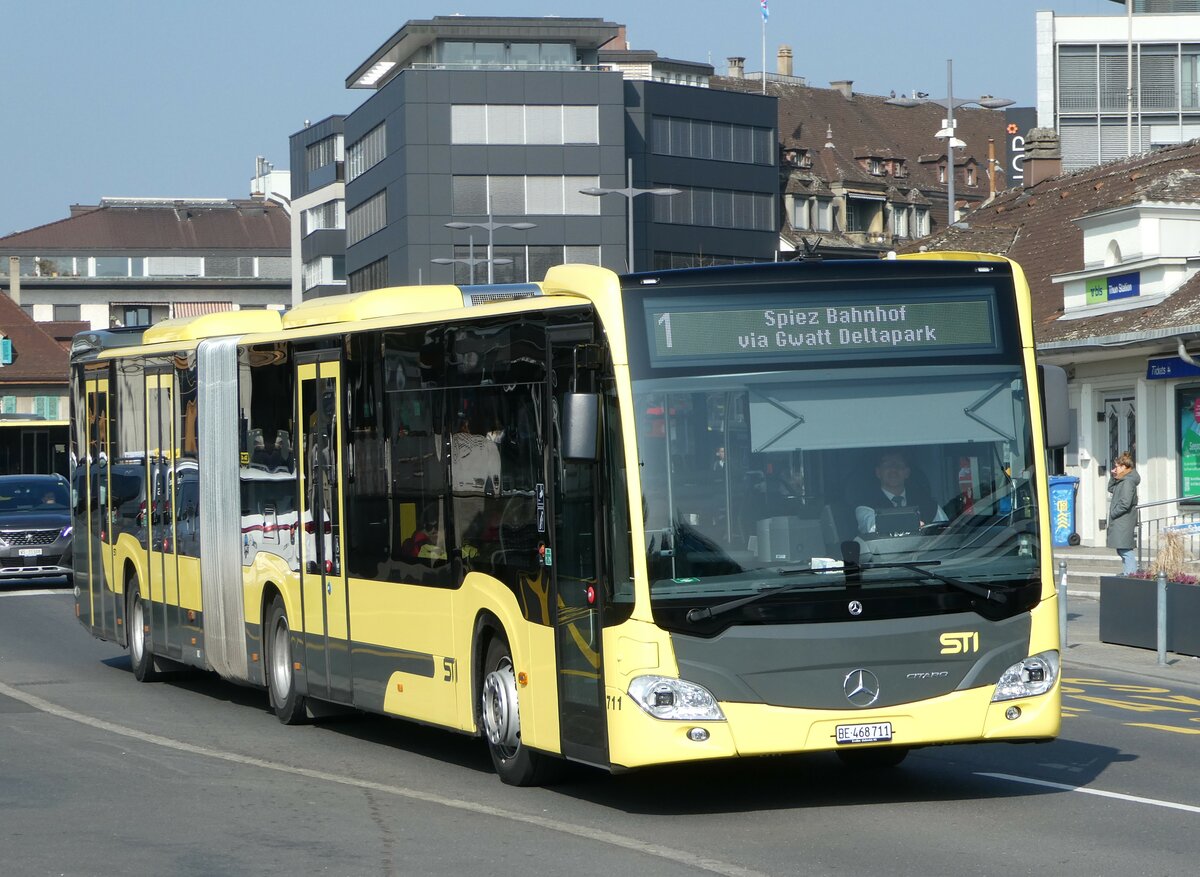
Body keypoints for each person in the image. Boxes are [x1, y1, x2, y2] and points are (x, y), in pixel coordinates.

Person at [855, 449, 947, 536]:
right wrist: (911, 524)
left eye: (899, 465)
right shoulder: (865, 507)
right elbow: (873, 529)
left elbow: (946, 532)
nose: (893, 470)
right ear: (878, 472)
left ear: (907, 473)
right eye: (887, 465)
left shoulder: (929, 505)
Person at [1107, 451, 1140, 574]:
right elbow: (1111, 489)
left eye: (1117, 466)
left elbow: (1125, 503)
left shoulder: (1127, 482)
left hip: (1123, 521)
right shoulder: (1123, 480)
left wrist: (1113, 513)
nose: (1115, 468)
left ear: (1124, 467)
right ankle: (1128, 573)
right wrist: (1113, 476)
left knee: (1125, 550)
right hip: (1122, 521)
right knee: (1122, 549)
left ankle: (1131, 575)